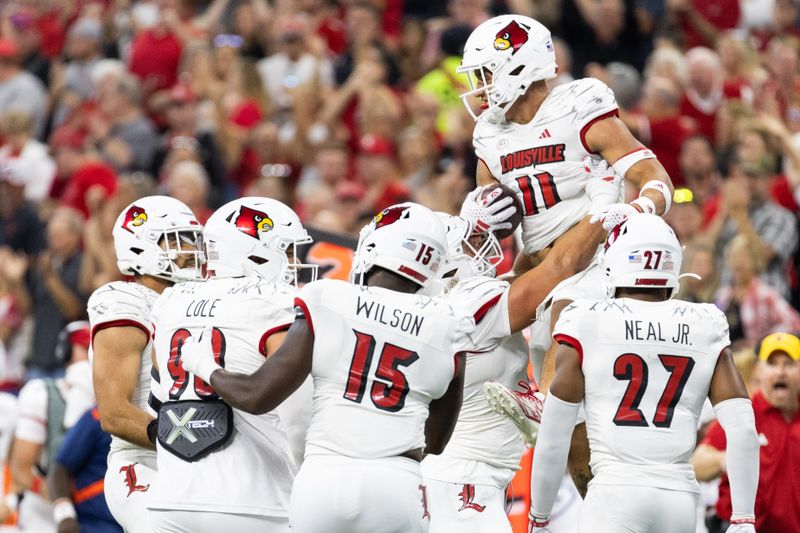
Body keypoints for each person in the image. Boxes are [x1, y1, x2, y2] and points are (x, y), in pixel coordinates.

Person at [179, 202, 474, 533]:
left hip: (322, 478)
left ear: (373, 245)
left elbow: (256, 395)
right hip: (395, 482)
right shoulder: (451, 324)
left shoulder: (326, 297)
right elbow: (435, 442)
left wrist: (203, 364)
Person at [457, 14, 675, 446]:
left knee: (568, 311)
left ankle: (541, 402)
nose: (478, 87)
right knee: (573, 440)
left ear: (518, 67)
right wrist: (480, 223)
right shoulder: (489, 137)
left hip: (600, 259)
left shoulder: (579, 108)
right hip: (544, 268)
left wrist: (636, 209)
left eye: (485, 74)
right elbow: (497, 224)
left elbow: (658, 179)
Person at [527, 214, 759, 533]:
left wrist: (539, 517)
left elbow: (555, 435)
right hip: (678, 496)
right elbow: (743, 428)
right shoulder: (704, 322)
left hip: (614, 494)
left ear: (614, 262)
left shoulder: (585, 319)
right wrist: (743, 517)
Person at [420, 165, 620, 532]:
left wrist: (538, 225)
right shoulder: (472, 305)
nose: (481, 248)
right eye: (470, 243)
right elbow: (560, 269)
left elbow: (522, 279)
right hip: (463, 482)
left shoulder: (443, 302)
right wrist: (603, 202)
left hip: (450, 477)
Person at [147, 197, 317, 533]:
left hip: (170, 497)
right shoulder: (276, 302)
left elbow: (157, 397)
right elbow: (300, 415)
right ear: (255, 251)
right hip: (253, 500)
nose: (294, 262)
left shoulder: (169, 302)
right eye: (287, 250)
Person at [88, 196, 204, 533]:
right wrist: (182, 442)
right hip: (144, 463)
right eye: (178, 240)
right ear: (141, 247)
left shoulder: (199, 302)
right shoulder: (126, 302)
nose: (190, 250)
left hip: (197, 465)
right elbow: (114, 413)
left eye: (192, 239)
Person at [694, 332, 800, 533]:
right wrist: (725, 460)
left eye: (789, 364)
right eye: (772, 364)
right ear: (759, 370)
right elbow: (697, 464)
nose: (780, 372)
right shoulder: (745, 415)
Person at [0, 321, 96, 533]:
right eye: (84, 348)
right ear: (66, 351)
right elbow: (22, 470)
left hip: (93, 509)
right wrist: (65, 505)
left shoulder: (111, 400)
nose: (91, 357)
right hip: (44, 513)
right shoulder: (40, 395)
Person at [48, 407, 122, 533]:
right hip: (94, 522)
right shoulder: (98, 417)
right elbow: (60, 468)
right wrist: (65, 515)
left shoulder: (154, 419)